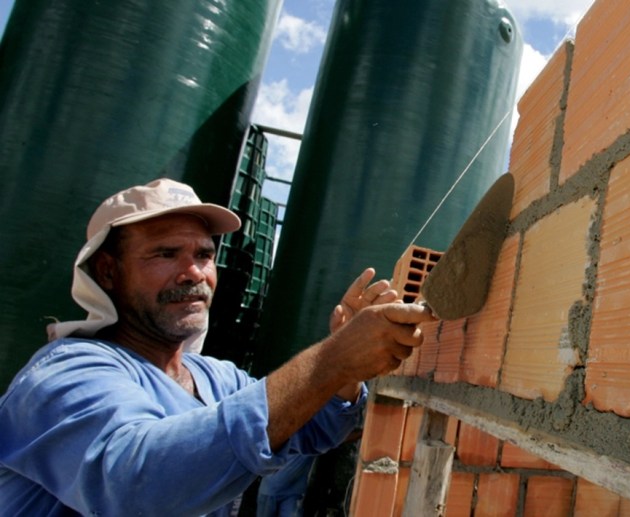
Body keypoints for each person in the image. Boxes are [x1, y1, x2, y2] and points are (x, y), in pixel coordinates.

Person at [0, 179, 434, 515]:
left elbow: (313, 427)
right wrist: (332, 359)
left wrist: (344, 372)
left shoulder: (213, 377)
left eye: (204, 255)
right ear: (109, 272)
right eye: (165, 254)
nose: (193, 273)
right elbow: (138, 489)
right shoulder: (64, 375)